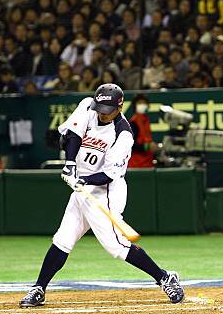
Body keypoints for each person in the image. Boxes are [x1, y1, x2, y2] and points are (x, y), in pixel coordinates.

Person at [19, 84, 184, 307]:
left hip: (105, 192)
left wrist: (83, 180)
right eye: (100, 107)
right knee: (63, 239)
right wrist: (70, 165)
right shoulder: (88, 106)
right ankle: (39, 288)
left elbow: (109, 174)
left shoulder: (124, 134)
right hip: (81, 188)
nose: (101, 112)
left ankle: (165, 278)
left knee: (116, 246)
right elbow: (73, 135)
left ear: (119, 107)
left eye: (107, 108)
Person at [128, 94, 156, 168]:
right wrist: (147, 146)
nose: (142, 105)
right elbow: (130, 145)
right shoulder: (133, 123)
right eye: (139, 103)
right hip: (137, 164)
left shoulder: (146, 120)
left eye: (144, 103)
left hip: (148, 163)